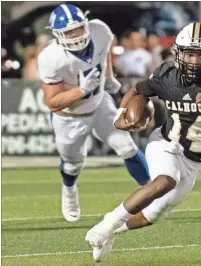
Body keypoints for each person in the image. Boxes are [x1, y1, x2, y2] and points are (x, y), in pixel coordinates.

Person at [85, 22, 201, 262]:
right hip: (165, 142)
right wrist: (122, 115)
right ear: (178, 52)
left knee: (150, 216)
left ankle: (111, 231)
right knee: (164, 181)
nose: (194, 60)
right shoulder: (166, 74)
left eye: (200, 54)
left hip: (194, 160)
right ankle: (106, 223)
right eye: (189, 53)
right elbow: (138, 90)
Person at [38, 4, 150, 223]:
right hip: (70, 117)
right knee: (73, 163)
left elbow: (104, 51)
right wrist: (81, 91)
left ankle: (153, 190)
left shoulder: (100, 31)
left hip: (100, 104)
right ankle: (69, 190)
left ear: (86, 24)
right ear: (57, 34)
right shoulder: (51, 57)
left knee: (126, 146)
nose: (75, 34)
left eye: (78, 28)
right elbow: (52, 102)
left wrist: (108, 76)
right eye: (69, 32)